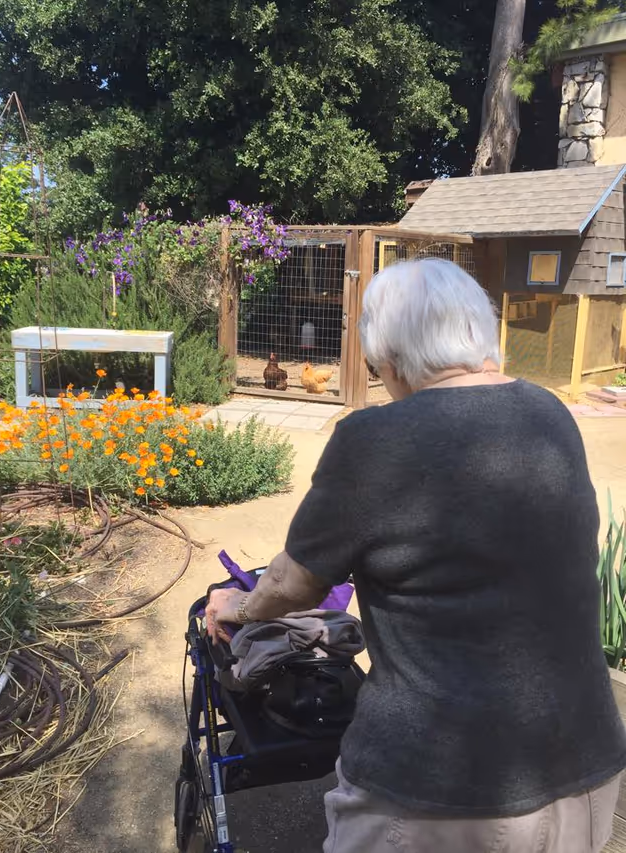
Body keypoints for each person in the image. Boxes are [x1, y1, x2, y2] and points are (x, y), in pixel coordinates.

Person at [206, 258, 626, 853]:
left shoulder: (374, 438)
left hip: (440, 785)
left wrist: (239, 607)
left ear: (389, 357)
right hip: (582, 765)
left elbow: (294, 585)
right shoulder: (549, 414)